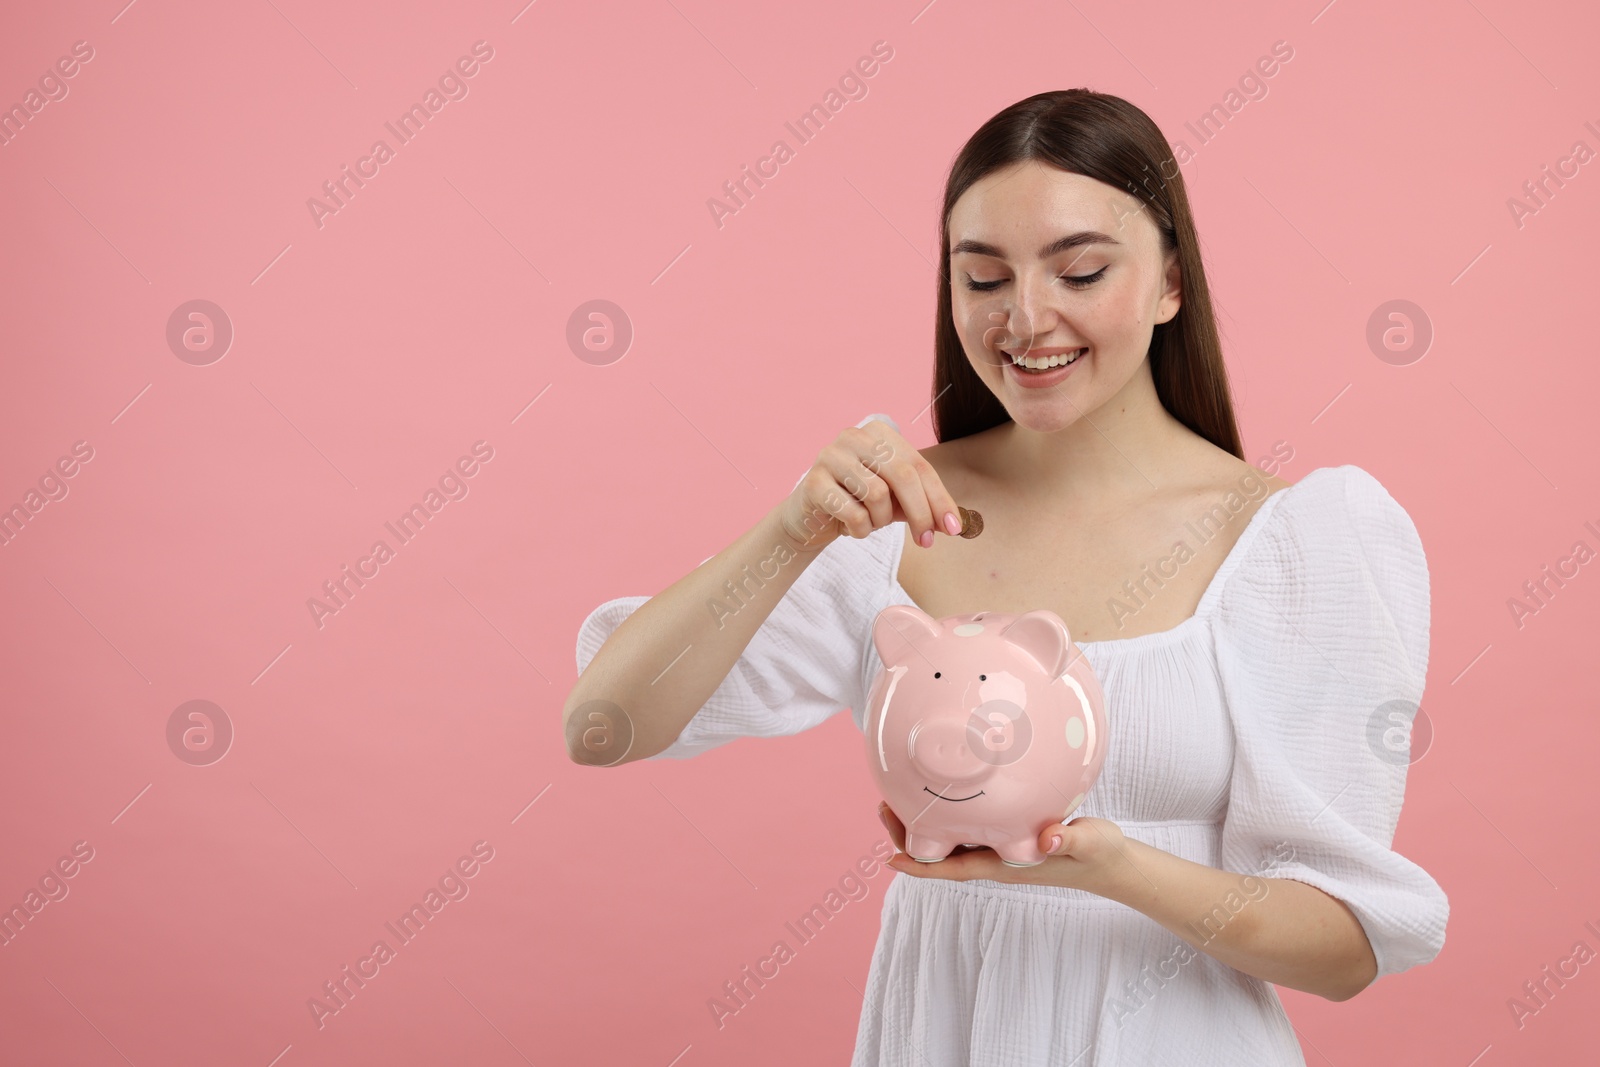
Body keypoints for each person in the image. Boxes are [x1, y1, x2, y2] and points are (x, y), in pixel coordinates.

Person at [565, 88, 1448, 1066]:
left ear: (1169, 284)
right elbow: (602, 726)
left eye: (1079, 270)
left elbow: (1343, 949)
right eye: (983, 278)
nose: (1027, 320)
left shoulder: (1295, 543)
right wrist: (791, 531)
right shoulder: (890, 515)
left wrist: (1105, 864)